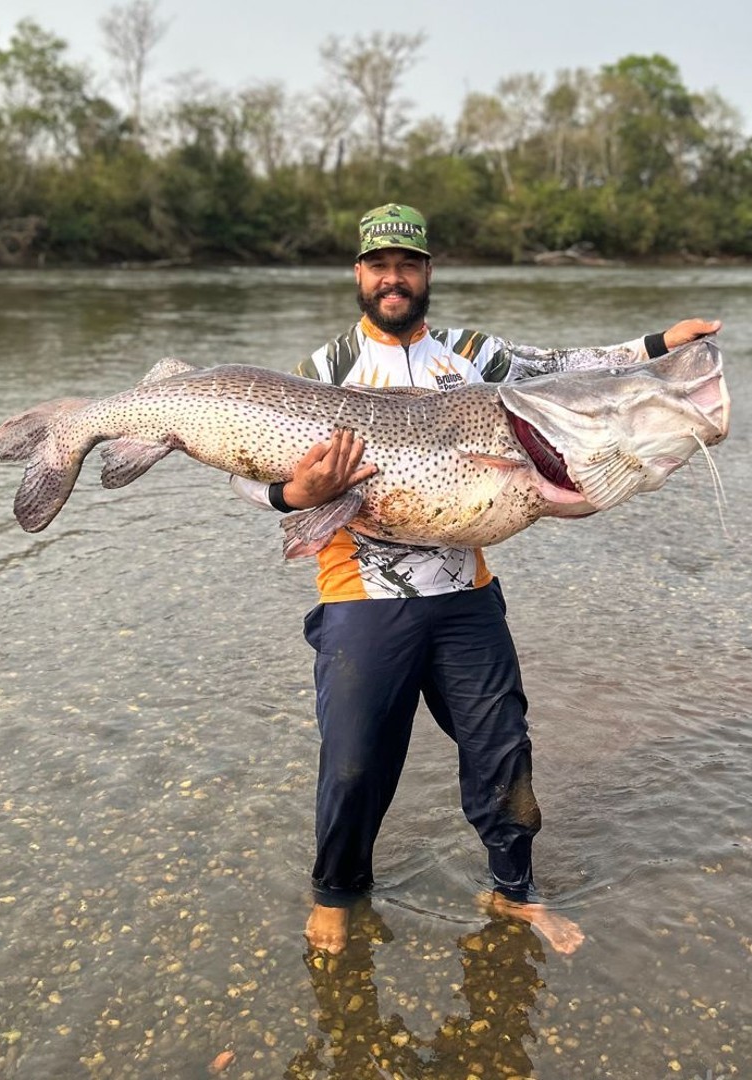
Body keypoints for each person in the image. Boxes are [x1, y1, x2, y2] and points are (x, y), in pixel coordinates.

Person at [230, 203, 720, 956]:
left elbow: (569, 369)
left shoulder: (471, 354)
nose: (393, 278)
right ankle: (335, 893)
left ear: (426, 273)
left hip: (466, 598)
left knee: (502, 752)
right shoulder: (317, 373)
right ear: (358, 275)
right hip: (361, 599)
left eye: (408, 265)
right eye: (379, 266)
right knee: (355, 760)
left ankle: (514, 891)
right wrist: (287, 497)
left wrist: (658, 345)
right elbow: (244, 465)